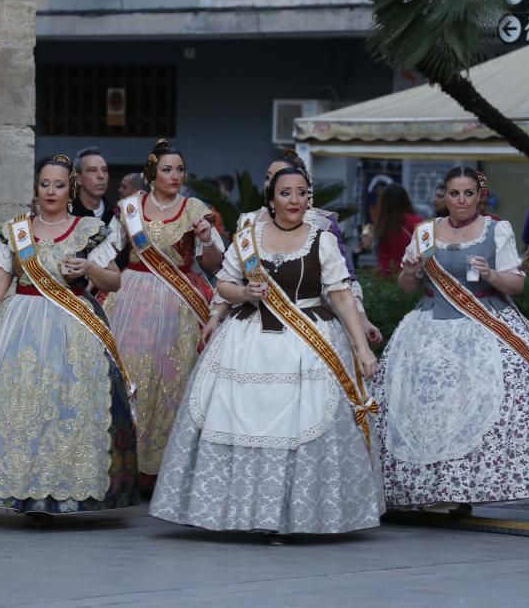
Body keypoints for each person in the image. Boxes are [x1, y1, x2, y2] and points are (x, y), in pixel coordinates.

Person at [150, 166, 384, 542]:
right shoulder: (248, 238)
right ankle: (239, 513)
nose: (295, 201)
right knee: (239, 422)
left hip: (308, 342)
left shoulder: (321, 240)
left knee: (301, 427)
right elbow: (225, 283)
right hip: (248, 340)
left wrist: (360, 348)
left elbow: (341, 295)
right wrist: (244, 295)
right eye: (286, 193)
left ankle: (291, 516)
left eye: (302, 193)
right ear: (271, 199)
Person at [0, 155, 138, 525]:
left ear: (70, 187)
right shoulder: (16, 231)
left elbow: (114, 280)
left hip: (72, 328)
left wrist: (88, 268)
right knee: (11, 407)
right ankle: (3, 487)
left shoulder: (88, 229)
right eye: (45, 184)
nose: (51, 191)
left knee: (63, 407)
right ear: (35, 188)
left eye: (58, 184)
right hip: (18, 326)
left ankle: (50, 494)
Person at [372, 167, 529, 511]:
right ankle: (429, 489)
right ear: (444, 195)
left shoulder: (496, 230)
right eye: (454, 193)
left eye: (468, 193)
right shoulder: (425, 233)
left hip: (484, 325)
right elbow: (407, 287)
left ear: (478, 195)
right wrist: (410, 271)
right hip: (428, 329)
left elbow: (517, 284)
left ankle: (464, 488)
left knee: (478, 409)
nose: (461, 201)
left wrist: (490, 273)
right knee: (426, 410)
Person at [103, 139, 225, 497]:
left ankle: (165, 470)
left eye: (180, 170)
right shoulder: (129, 208)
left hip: (180, 304)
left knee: (172, 381)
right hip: (132, 300)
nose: (175, 176)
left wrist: (208, 238)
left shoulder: (193, 208)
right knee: (133, 376)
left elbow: (216, 265)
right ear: (151, 173)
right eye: (167, 169)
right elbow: (108, 253)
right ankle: (124, 465)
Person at [204, 150, 382, 344]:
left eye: (281, 178)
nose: (271, 183)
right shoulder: (249, 223)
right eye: (268, 178)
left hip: (306, 324)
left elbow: (343, 284)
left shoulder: (321, 224)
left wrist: (362, 321)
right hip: (251, 326)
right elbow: (231, 277)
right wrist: (216, 316)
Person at [373, 183, 423, 277]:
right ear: (405, 199)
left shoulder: (383, 225)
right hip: (412, 276)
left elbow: (383, 257)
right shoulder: (417, 222)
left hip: (389, 277)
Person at [72, 146, 114, 224]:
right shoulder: (67, 215)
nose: (101, 176)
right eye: (93, 170)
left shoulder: (116, 215)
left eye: (104, 170)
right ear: (78, 179)